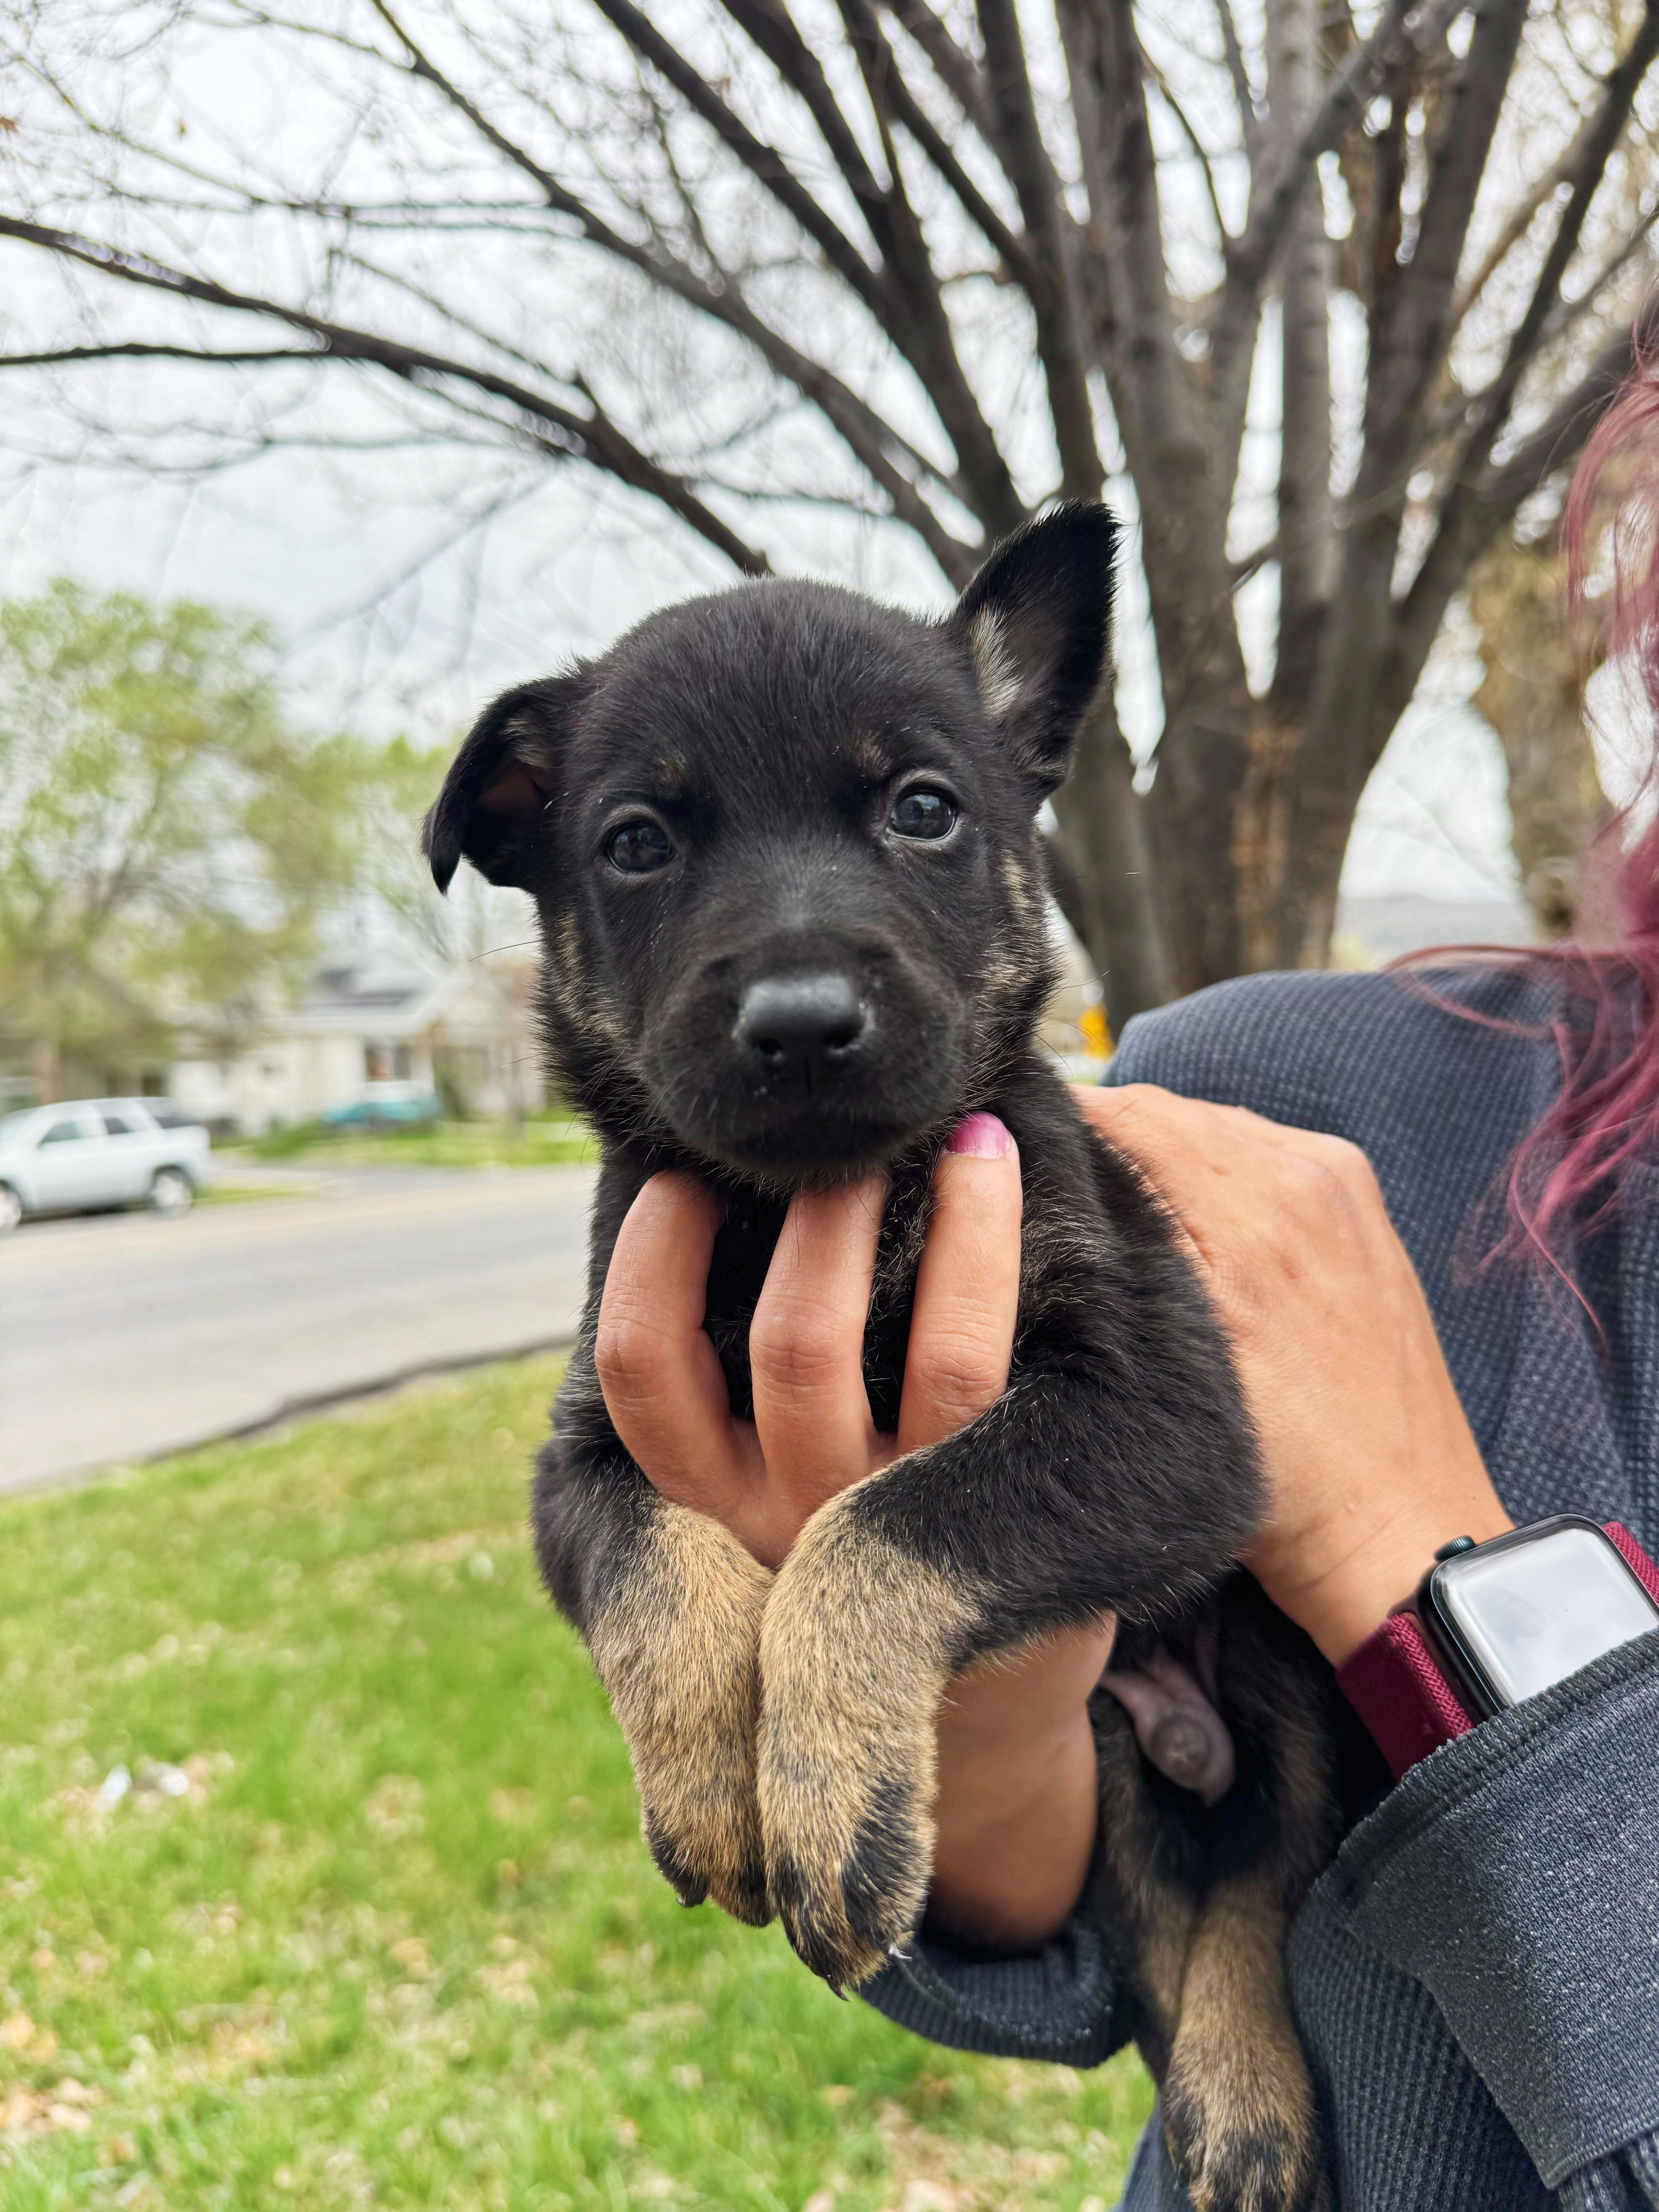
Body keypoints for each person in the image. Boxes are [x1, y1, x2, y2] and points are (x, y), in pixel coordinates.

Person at [588, 384, 1659, 2208]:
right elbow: (1017, 1913)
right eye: (644, 845)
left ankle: (1227, 1974)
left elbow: (1143, 1462)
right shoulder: (1267, 1104)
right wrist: (984, 1714)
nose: (793, 962)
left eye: (919, 809)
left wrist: (1437, 1579)